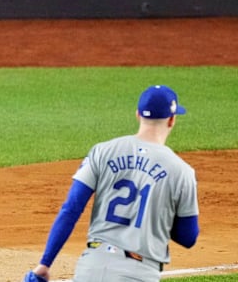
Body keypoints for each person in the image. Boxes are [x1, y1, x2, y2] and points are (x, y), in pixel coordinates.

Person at [24, 85, 199, 282]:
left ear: (137, 115)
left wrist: (45, 264)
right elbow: (187, 237)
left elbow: (71, 209)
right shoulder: (182, 171)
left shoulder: (102, 151)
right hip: (139, 274)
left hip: (90, 267)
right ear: (172, 119)